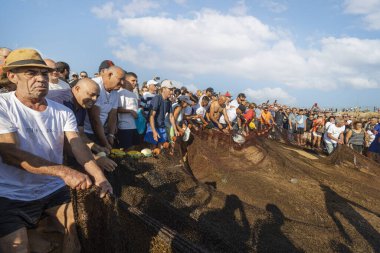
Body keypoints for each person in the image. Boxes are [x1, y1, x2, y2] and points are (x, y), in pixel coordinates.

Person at [0, 48, 112, 253]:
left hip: (51, 190)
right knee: (17, 248)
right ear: (12, 76)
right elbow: (10, 153)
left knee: (71, 244)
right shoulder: (3, 106)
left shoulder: (62, 111)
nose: (40, 78)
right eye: (31, 73)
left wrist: (99, 176)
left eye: (43, 73)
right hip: (9, 195)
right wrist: (64, 171)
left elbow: (77, 146)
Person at [83, 66, 125, 151]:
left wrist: (111, 135)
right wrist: (105, 143)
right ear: (109, 75)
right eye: (120, 79)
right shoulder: (95, 85)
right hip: (85, 132)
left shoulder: (115, 92)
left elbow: (113, 115)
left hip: (100, 133)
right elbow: (94, 118)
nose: (122, 83)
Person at [144, 80, 178, 146]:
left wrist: (175, 129)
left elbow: (171, 116)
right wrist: (154, 131)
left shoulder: (169, 102)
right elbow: (151, 116)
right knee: (151, 148)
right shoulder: (157, 98)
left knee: (164, 147)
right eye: (170, 89)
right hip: (153, 127)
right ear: (163, 89)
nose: (171, 92)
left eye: (172, 90)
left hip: (162, 127)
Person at [117, 76, 139, 149]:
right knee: (126, 150)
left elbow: (135, 109)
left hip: (134, 126)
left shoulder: (134, 94)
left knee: (133, 149)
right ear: (126, 81)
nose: (135, 83)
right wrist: (130, 111)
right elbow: (117, 109)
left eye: (136, 81)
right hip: (124, 127)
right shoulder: (121, 93)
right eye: (133, 80)